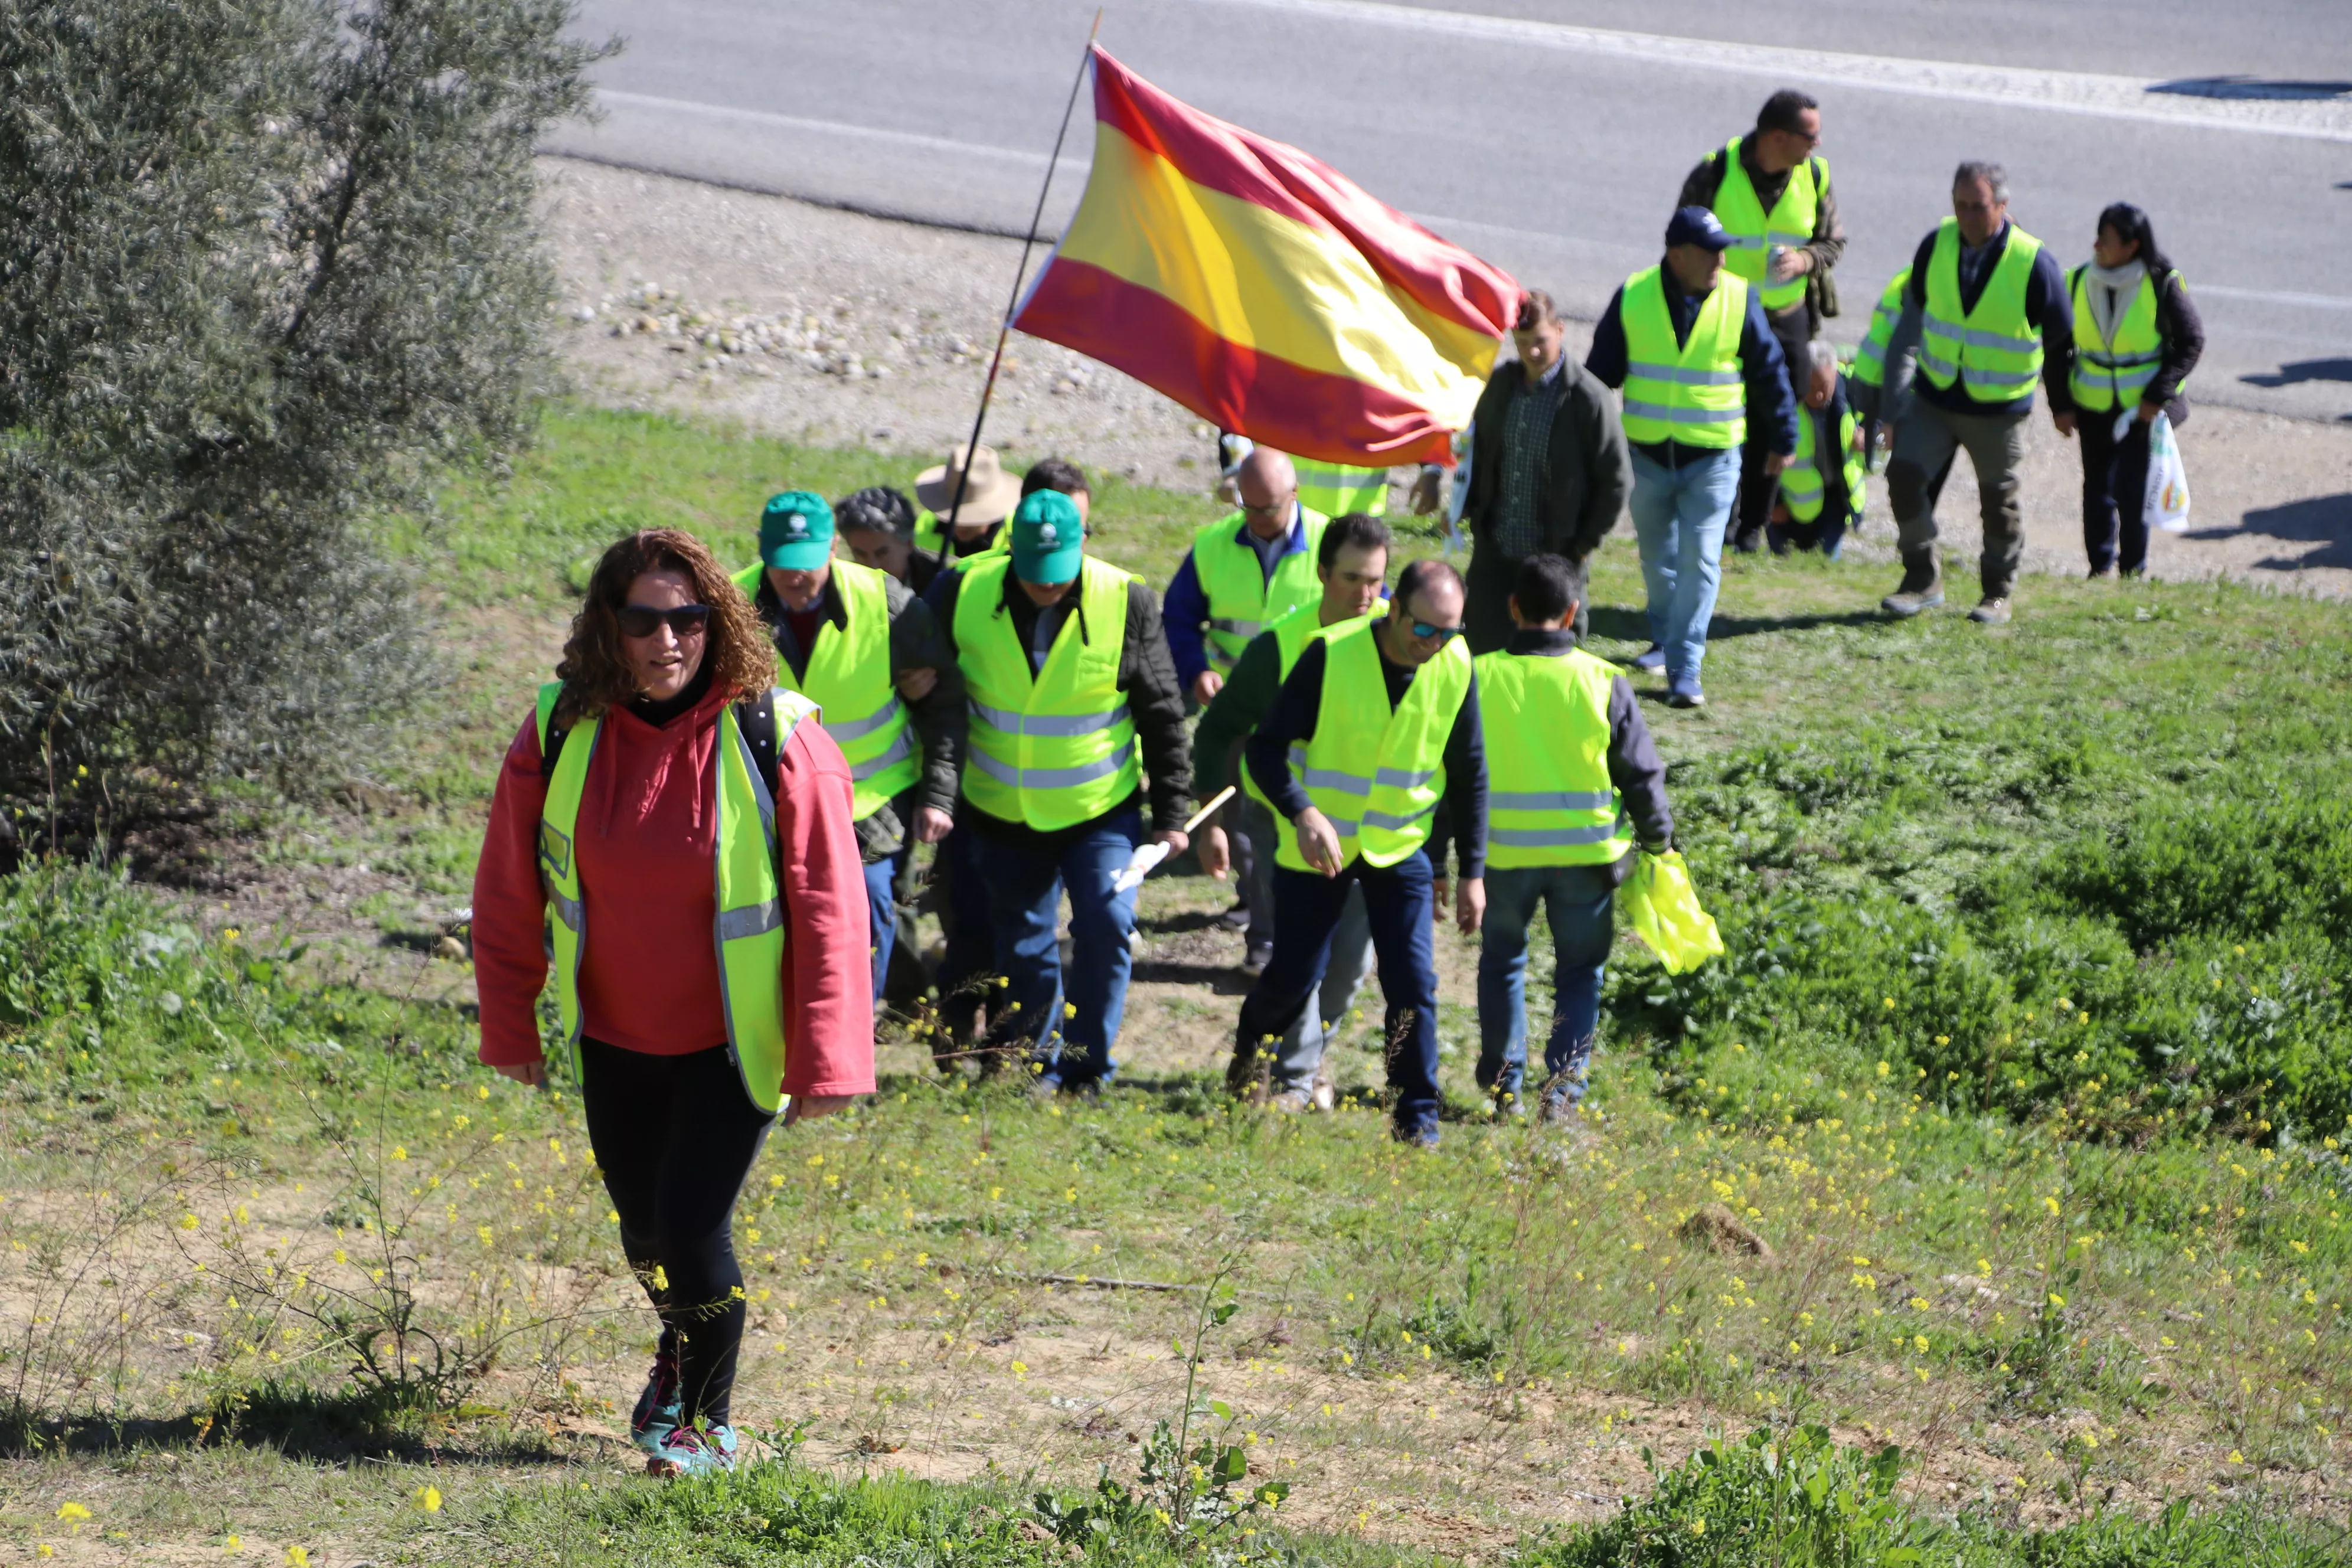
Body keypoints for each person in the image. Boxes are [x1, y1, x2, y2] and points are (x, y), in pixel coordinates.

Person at [470, 528, 873, 1478]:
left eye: (686, 618)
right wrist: (508, 1021)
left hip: (734, 1046)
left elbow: (829, 912)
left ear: (716, 622)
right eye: (644, 620)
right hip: (612, 1034)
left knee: (692, 1229)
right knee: (643, 1231)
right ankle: (679, 1346)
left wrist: (828, 1060)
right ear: (611, 626)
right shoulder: (560, 729)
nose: (666, 641)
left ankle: (705, 1427)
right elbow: (507, 890)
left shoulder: (782, 739)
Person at [923, 490, 1193, 1093]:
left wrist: (1174, 812)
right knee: (1025, 949)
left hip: (1099, 809)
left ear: (1084, 547)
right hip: (1001, 812)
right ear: (1008, 549)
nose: (1046, 586)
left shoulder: (1128, 600)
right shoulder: (961, 593)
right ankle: (1036, 1066)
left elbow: (1163, 711)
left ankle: (1086, 1067)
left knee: (1108, 922)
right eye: (1033, 573)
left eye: (1058, 574)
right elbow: (917, 661)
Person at [1236, 558, 1486, 1148]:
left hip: (1399, 845)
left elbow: (1469, 770)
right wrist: (1303, 810)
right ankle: (1250, 1053)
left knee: (1413, 981)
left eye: (1451, 632)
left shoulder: (1455, 662)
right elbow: (1264, 750)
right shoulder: (1330, 654)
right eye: (1426, 629)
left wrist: (1471, 870)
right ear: (1393, 608)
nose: (1437, 644)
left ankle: (1415, 1119)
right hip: (1320, 846)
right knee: (1295, 975)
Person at [731, 492, 962, 1004]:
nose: (794, 579)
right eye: (782, 566)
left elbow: (945, 702)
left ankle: (853, 1031)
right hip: (769, 800)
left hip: (870, 796)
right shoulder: (730, 606)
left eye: (807, 566)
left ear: (833, 548)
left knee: (867, 906)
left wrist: (939, 795)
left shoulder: (888, 603)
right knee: (783, 917)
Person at [1194, 513, 1391, 1106]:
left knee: (1352, 968)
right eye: (1353, 579)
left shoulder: (1399, 640)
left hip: (1369, 837)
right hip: (1284, 835)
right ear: (1322, 573)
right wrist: (1210, 822)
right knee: (1298, 960)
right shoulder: (1278, 647)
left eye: (1377, 582)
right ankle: (1296, 1079)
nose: (1366, 595)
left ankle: (1299, 1055)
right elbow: (1216, 731)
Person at [1474, 554, 1673, 1121]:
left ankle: (1503, 1089)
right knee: (1581, 974)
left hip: (1503, 857)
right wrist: (1659, 841)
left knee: (1502, 962)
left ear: (1512, 609)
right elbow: (1640, 773)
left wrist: (1444, 857)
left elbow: (1451, 769)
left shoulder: (1476, 674)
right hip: (1587, 863)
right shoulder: (1604, 680)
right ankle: (1561, 1096)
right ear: (1573, 613)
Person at [1586, 207, 1797, 708]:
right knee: (1659, 564)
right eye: (1711, 251)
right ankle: (1663, 638)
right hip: (1648, 460)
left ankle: (1685, 667)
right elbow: (1600, 375)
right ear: (1677, 255)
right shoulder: (1633, 296)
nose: (1722, 260)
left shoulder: (1739, 298)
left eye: (1724, 249)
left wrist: (1784, 438)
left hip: (1715, 461)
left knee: (1701, 562)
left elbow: (1770, 375)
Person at [1879, 162, 2076, 627]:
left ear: (2003, 207)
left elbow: (2061, 342)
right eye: (1960, 205)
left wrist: (2063, 407)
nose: (1967, 216)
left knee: (1998, 504)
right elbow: (1908, 330)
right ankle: (1922, 580)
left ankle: (1997, 594)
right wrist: (1892, 406)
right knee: (1904, 477)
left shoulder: (2034, 262)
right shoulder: (1937, 245)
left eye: (1978, 207)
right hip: (1935, 399)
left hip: (1998, 409)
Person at [1677, 89, 1847, 555]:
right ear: (1777, 137)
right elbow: (1680, 240)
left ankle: (1752, 528)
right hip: (1724, 319)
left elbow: (1833, 242)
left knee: (1776, 424)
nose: (1818, 144)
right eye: (1809, 135)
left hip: (1787, 321)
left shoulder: (1814, 175)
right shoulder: (1715, 173)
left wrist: (1806, 260)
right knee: (1722, 417)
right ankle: (1721, 519)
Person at [1413, 290, 1629, 655]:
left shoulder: (1588, 398)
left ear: (1561, 331)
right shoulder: (1500, 387)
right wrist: (1461, 508)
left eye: (1540, 341)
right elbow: (1476, 453)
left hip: (1555, 556)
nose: (1531, 352)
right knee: (1481, 651)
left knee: (1553, 655)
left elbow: (1617, 481)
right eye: (1522, 343)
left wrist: (1581, 545)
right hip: (1495, 554)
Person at [2066, 203, 2204, 579]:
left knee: (2132, 493)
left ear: (2132, 245)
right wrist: (2061, 404)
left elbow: (2191, 341)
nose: (2097, 245)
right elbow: (2058, 345)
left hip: (2141, 411)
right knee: (2096, 490)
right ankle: (2099, 567)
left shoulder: (2161, 282)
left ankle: (2132, 571)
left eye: (2106, 240)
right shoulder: (2078, 279)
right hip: (2093, 405)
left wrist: (2155, 398)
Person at [1163, 448, 1329, 707]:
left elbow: (1370, 615)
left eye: (1269, 510)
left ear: (1294, 493)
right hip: (1232, 703)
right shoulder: (1211, 546)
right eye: (1248, 507)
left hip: (1308, 705)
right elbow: (1177, 620)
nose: (1257, 519)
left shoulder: (1331, 543)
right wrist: (1197, 671)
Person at [1770, 341, 1863, 558]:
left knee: (1825, 568)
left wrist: (1867, 433)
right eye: (1810, 388)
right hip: (1789, 504)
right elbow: (1756, 452)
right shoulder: (1779, 398)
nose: (1818, 396)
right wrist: (1772, 503)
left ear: (1835, 375)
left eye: (1824, 387)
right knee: (1783, 572)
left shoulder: (1852, 387)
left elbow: (1878, 417)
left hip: (1835, 500)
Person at [1217, 431, 1390, 518]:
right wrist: (1236, 468)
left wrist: (1419, 459)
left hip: (1359, 516)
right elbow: (1236, 391)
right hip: (1282, 514)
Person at [912, 442, 1022, 560]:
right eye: (952, 514)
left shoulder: (1018, 536)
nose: (959, 525)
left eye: (969, 518)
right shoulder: (924, 527)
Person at [837, 485, 945, 596]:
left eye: (882, 554)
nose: (873, 567)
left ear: (909, 544)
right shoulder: (841, 590)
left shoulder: (948, 580)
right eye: (861, 555)